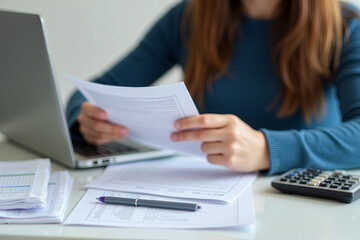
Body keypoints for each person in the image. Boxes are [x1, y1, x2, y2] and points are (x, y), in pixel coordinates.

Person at [66, 0, 360, 175]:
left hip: (300, 206)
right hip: (204, 196)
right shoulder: (188, 16)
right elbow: (92, 92)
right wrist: (86, 118)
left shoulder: (345, 25)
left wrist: (267, 150)